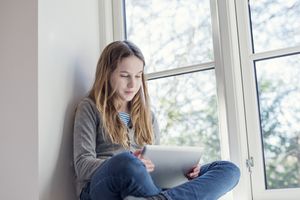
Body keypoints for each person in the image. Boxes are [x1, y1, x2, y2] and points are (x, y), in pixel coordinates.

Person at [73, 40, 240, 200]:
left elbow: (156, 166)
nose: (133, 84)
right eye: (125, 76)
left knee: (228, 170)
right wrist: (134, 162)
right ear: (107, 74)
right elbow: (82, 165)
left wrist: (184, 173)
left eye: (138, 76)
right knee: (126, 161)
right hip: (103, 187)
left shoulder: (148, 116)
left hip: (147, 186)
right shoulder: (90, 107)